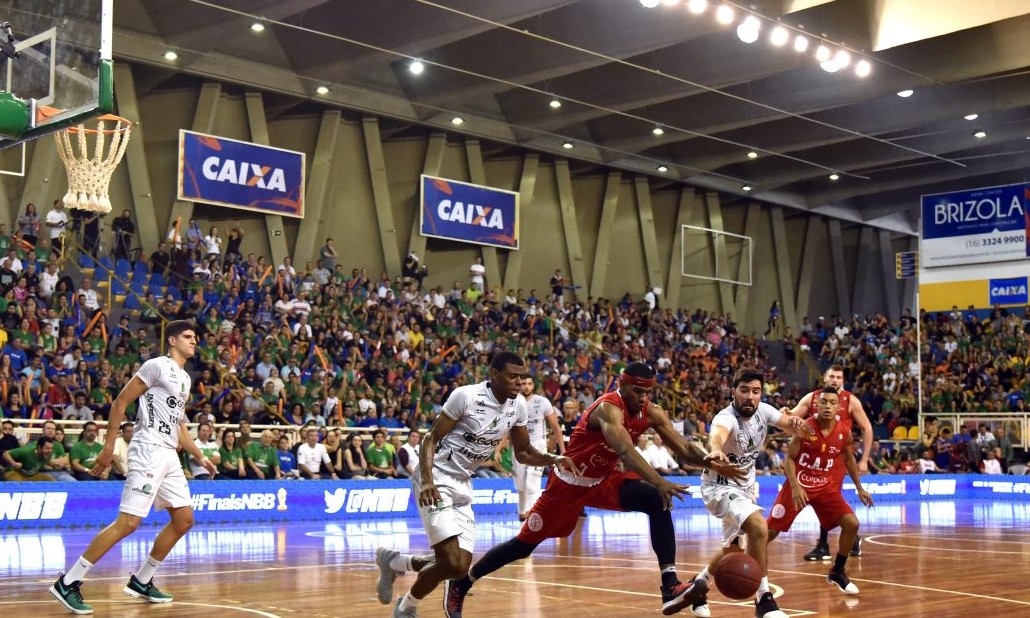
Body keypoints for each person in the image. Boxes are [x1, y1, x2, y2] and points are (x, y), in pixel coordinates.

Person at [442, 362, 744, 617]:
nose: (643, 398)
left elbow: (685, 449)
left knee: (656, 500)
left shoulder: (652, 412)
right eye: (638, 391)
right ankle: (462, 582)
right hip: (568, 484)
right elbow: (626, 451)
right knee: (524, 546)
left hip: (602, 482)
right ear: (622, 385)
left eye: (648, 392)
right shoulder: (607, 410)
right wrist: (659, 479)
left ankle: (670, 586)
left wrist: (713, 462)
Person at [374, 352, 577, 617]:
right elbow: (430, 439)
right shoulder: (466, 396)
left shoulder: (518, 407)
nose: (518, 382)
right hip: (437, 477)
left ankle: (395, 562)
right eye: (512, 376)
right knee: (449, 560)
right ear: (494, 374)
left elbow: (524, 451)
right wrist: (426, 481)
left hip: (463, 482)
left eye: (522, 377)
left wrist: (554, 458)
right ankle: (406, 607)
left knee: (459, 568)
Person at [49, 320, 216, 615]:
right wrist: (109, 446)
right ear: (173, 340)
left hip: (169, 454)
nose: (194, 341)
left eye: (196, 337)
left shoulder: (186, 379)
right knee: (128, 523)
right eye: (189, 337)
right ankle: (68, 582)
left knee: (184, 519)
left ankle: (142, 579)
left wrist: (199, 456)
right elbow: (119, 403)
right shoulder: (156, 366)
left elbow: (179, 425)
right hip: (148, 449)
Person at [692, 367, 813, 618]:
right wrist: (715, 450)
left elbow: (790, 424)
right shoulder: (725, 418)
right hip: (720, 486)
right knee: (759, 527)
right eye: (744, 390)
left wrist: (800, 424)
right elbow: (717, 434)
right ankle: (764, 600)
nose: (750, 396)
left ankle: (697, 588)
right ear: (733, 392)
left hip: (745, 488)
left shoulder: (764, 411)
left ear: (761, 394)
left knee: (733, 549)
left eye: (756, 391)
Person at [767, 387, 874, 597]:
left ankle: (837, 571)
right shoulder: (806, 427)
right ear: (816, 404)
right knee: (768, 532)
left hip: (825, 487)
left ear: (839, 407)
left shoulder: (844, 432)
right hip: (799, 485)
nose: (827, 406)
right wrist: (795, 487)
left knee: (852, 524)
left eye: (832, 403)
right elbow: (789, 459)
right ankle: (746, 561)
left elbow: (849, 459)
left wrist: (860, 488)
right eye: (823, 402)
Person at [782, 364, 873, 561]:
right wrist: (785, 413)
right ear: (824, 378)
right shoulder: (813, 397)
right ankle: (851, 538)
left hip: (836, 458)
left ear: (843, 380)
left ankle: (825, 545)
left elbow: (867, 428)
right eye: (832, 376)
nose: (835, 380)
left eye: (839, 377)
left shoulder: (851, 400)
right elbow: (794, 415)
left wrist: (864, 459)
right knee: (825, 501)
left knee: (827, 499)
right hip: (814, 457)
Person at [513, 376, 565, 520]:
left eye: (529, 383)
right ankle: (522, 512)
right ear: (519, 384)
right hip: (519, 445)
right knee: (520, 484)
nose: (526, 386)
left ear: (533, 385)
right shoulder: (513, 402)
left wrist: (563, 450)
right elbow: (506, 427)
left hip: (538, 445)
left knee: (532, 482)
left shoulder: (543, 402)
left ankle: (532, 512)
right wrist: (498, 449)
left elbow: (555, 427)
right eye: (523, 383)